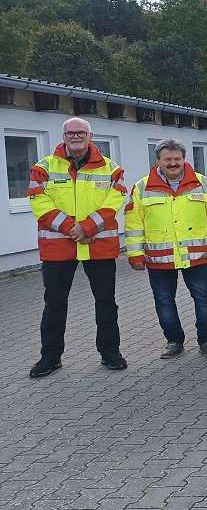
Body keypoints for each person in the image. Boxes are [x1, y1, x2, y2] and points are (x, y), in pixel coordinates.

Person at [27, 117, 129, 377]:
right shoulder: (43, 168)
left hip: (99, 245)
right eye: (70, 133)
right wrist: (70, 228)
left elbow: (115, 200)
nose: (75, 137)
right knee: (54, 303)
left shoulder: (111, 168)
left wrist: (87, 227)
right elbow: (40, 203)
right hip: (59, 248)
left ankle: (110, 353)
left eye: (80, 132)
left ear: (90, 136)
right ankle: (50, 357)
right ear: (63, 137)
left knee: (106, 302)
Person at [124, 139, 207, 359]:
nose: (173, 163)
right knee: (163, 300)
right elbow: (134, 224)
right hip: (159, 258)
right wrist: (134, 254)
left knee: (203, 298)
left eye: (177, 159)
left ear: (184, 159)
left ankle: (206, 341)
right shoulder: (142, 188)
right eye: (167, 159)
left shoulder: (202, 183)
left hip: (196, 256)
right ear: (158, 161)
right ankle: (174, 341)